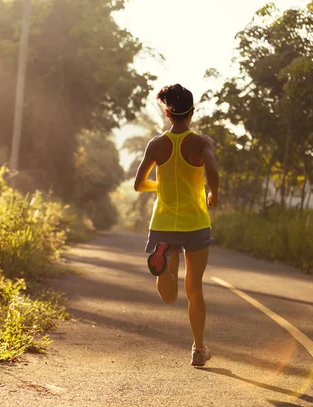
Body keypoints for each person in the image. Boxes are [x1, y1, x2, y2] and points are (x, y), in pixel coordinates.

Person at [134, 84, 219, 367]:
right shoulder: (202, 142)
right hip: (195, 222)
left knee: (170, 295)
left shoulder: (156, 145)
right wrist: (213, 194)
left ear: (168, 114)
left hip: (163, 223)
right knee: (194, 288)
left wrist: (161, 186)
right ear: (192, 113)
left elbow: (138, 184)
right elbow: (213, 171)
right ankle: (198, 349)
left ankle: (163, 263)